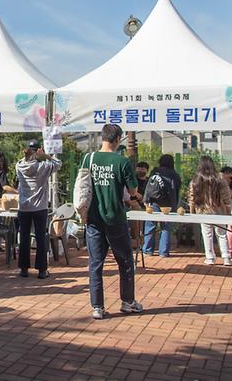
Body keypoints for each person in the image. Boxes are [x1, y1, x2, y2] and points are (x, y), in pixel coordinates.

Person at [86, 124, 143, 320]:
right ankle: (128, 302)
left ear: (103, 137)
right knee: (125, 262)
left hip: (93, 219)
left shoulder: (88, 158)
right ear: (118, 138)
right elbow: (133, 191)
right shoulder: (122, 162)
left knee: (95, 263)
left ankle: (97, 307)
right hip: (116, 218)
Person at [15, 140, 62, 279]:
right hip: (40, 207)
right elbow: (58, 163)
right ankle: (42, 270)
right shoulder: (43, 167)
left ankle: (23, 269)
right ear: (37, 152)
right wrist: (46, 155)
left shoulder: (19, 165)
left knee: (23, 238)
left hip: (23, 207)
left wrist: (30, 155)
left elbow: (23, 160)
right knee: (41, 237)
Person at [189, 156, 232, 266]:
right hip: (219, 210)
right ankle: (226, 257)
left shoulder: (196, 179)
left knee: (207, 233)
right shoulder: (220, 179)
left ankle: (210, 258)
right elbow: (226, 196)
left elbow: (192, 197)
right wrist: (228, 208)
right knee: (222, 234)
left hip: (203, 210)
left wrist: (191, 211)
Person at [142, 154, 181, 257]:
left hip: (154, 202)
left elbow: (149, 187)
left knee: (150, 226)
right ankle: (163, 252)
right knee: (166, 227)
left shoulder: (155, 172)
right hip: (168, 205)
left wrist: (146, 200)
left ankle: (147, 250)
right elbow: (176, 191)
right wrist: (175, 205)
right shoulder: (174, 175)